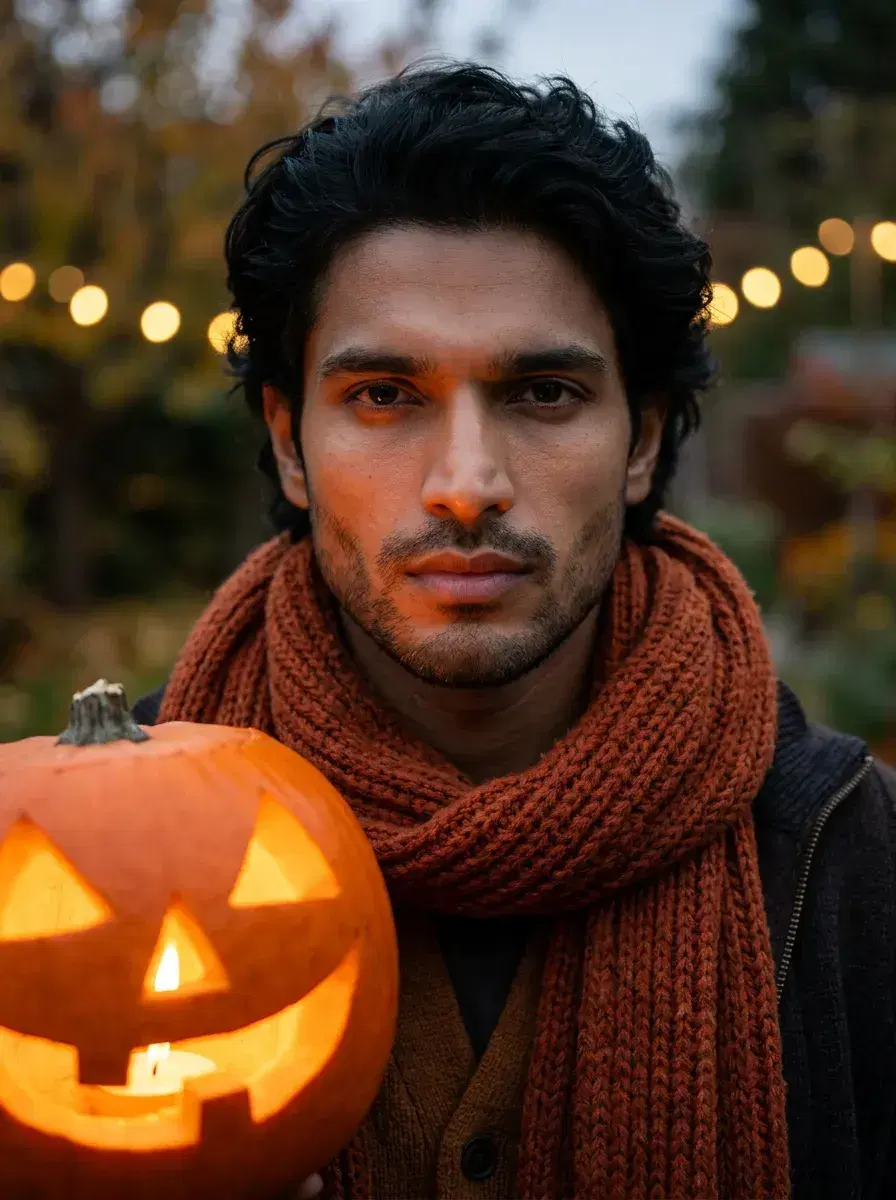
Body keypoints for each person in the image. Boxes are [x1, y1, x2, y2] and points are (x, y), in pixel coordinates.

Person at [132, 63, 896, 1200]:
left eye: (542, 392)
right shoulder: (109, 850)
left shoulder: (844, 854)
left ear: (642, 440)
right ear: (290, 444)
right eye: (383, 395)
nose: (465, 484)